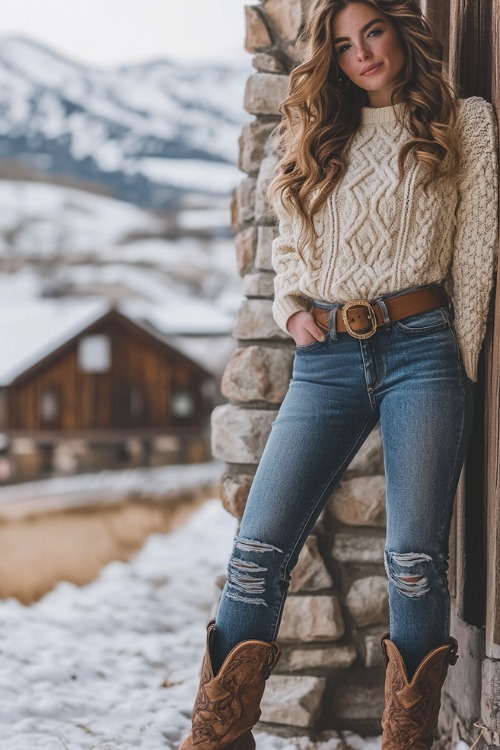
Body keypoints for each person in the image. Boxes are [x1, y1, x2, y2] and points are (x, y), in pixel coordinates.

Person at [179, 1, 498, 749]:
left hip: (423, 351)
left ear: (400, 28)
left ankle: (405, 741)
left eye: (374, 32)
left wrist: (465, 367)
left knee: (414, 562)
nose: (363, 54)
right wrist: (292, 308)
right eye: (345, 44)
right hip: (324, 360)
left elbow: (475, 255)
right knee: (257, 552)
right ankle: (216, 736)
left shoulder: (464, 120)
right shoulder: (315, 129)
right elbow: (290, 244)